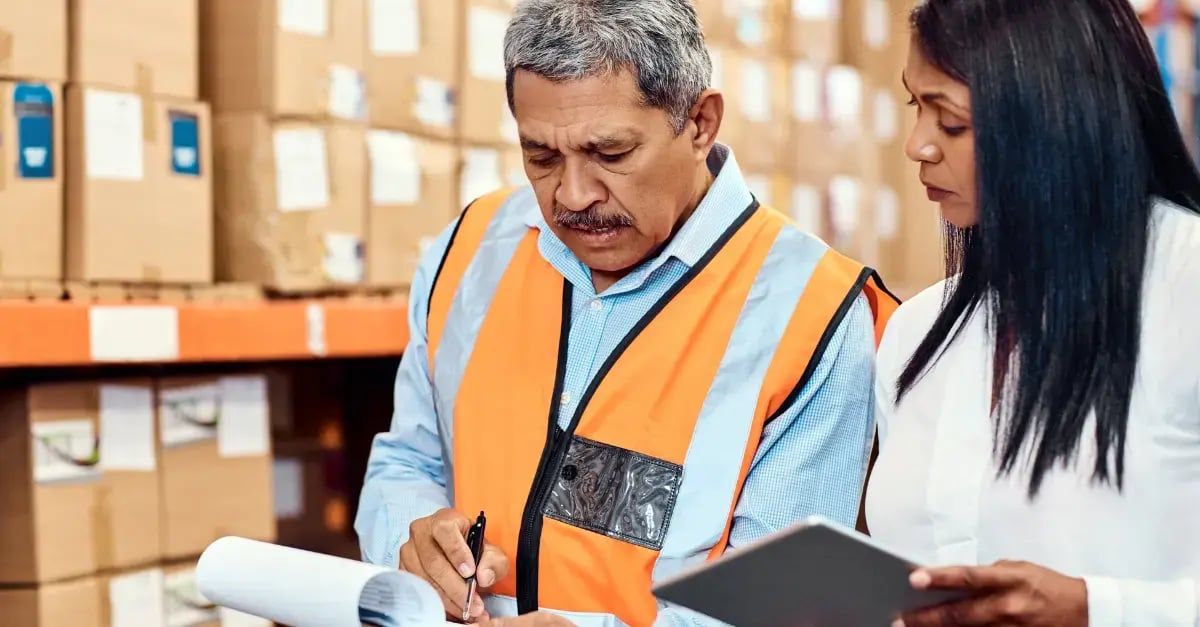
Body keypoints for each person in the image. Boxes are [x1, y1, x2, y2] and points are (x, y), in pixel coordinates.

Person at [354, 0, 898, 625]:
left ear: (700, 122)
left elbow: (782, 609)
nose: (573, 195)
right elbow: (406, 463)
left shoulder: (813, 312)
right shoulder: (473, 248)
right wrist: (412, 538)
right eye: (541, 157)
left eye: (609, 154)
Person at [865, 0, 1200, 625]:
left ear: (1053, 119)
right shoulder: (917, 335)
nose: (918, 146)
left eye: (952, 122)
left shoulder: (1186, 287)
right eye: (918, 107)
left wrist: (1097, 609)